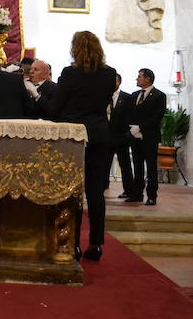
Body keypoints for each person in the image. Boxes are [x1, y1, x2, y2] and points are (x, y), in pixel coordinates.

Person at [50, 31, 116, 262]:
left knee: (72, 191)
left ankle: (74, 243)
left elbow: (57, 106)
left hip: (74, 136)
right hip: (99, 134)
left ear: (75, 48)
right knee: (95, 192)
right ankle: (96, 244)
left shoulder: (70, 73)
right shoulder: (110, 75)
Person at [126, 68, 167, 205]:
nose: (137, 79)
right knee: (137, 166)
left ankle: (151, 195)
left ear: (148, 79)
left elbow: (157, 116)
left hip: (149, 136)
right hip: (135, 136)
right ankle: (137, 194)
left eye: (139, 77)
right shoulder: (134, 95)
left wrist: (141, 127)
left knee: (150, 168)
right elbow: (130, 114)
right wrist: (132, 128)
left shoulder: (159, 95)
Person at [107, 73, 134, 198]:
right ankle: (103, 186)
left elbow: (130, 117)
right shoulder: (103, 96)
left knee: (125, 165)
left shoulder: (127, 97)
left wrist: (127, 135)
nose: (113, 83)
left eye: (115, 81)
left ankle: (128, 190)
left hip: (121, 137)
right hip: (106, 136)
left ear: (120, 82)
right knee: (104, 164)